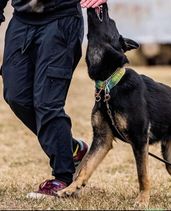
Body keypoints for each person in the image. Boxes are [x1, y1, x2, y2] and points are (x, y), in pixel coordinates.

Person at [0, 0, 107, 198]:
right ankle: (71, 148)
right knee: (15, 96)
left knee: (47, 102)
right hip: (22, 20)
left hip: (61, 19)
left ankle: (63, 178)